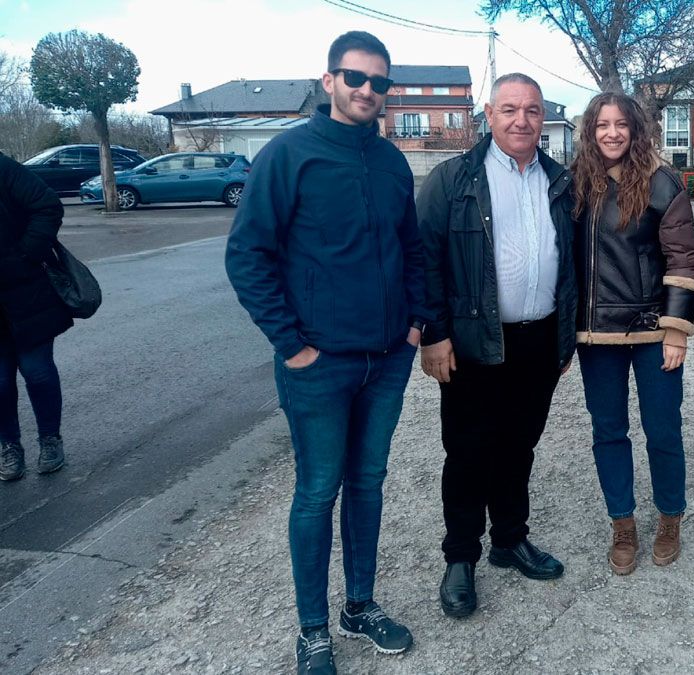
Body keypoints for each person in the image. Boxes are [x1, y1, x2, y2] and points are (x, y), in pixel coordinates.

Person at [225, 31, 427, 674]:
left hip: (387, 358)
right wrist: (292, 345)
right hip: (319, 364)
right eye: (355, 77)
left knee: (368, 483)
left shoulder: (393, 163)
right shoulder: (289, 156)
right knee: (317, 492)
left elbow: (412, 249)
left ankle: (358, 606)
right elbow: (247, 255)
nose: (367, 91)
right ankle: (313, 629)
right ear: (329, 79)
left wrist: (417, 323)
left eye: (379, 83)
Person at [418, 73, 576, 618]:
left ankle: (509, 540)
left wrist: (563, 339)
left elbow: (572, 264)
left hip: (538, 340)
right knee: (467, 452)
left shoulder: (559, 180)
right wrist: (434, 334)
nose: (521, 120)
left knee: (518, 447)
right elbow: (425, 263)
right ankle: (460, 557)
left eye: (532, 111)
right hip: (473, 343)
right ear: (489, 114)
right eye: (510, 109)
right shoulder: (453, 179)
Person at [571, 92, 694, 575]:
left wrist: (676, 331)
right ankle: (622, 524)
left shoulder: (661, 182)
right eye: (602, 124)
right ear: (590, 130)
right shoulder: (575, 185)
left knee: (663, 430)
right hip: (596, 336)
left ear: (635, 129)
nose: (611, 132)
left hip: (652, 332)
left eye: (620, 124)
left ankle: (670, 517)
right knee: (608, 432)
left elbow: (684, 258)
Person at [0, 153, 70, 481]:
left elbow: (47, 205)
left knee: (37, 372)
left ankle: (50, 440)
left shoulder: (3, 168)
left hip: (25, 291)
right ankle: (9, 446)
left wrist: (26, 254)